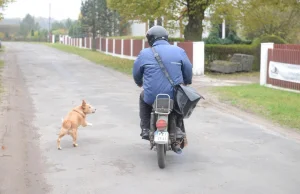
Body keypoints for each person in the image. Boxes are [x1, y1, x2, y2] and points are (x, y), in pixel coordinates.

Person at [132, 25, 193, 141]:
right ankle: (179, 128)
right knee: (180, 100)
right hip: (173, 95)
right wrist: (187, 81)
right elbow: (188, 69)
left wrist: (139, 82)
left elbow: (136, 72)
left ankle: (145, 128)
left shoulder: (144, 53)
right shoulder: (179, 51)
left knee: (142, 97)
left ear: (150, 39)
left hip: (152, 96)